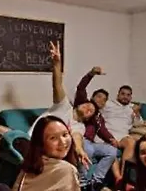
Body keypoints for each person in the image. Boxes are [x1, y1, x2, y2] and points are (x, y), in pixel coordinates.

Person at [28, 41, 98, 174]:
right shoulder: (63, 105)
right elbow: (57, 84)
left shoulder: (80, 126)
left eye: (90, 111)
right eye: (87, 105)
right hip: (32, 143)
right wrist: (56, 63)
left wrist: (80, 150)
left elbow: (77, 137)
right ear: (78, 104)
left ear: (88, 118)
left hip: (51, 154)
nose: (88, 108)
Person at [74, 67, 118, 188]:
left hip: (92, 143)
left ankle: (96, 181)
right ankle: (83, 183)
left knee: (112, 151)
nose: (101, 100)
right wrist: (91, 74)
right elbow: (80, 88)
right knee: (87, 149)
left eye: (104, 100)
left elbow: (103, 131)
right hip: (80, 140)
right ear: (92, 97)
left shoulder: (99, 117)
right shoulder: (83, 105)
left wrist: (112, 139)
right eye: (99, 97)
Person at [12, 115, 81, 191]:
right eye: (53, 138)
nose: (62, 142)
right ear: (40, 143)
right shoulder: (66, 170)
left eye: (65, 135)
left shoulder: (27, 167)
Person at [99, 84, 143, 179]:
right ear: (118, 95)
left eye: (128, 95)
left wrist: (137, 113)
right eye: (123, 94)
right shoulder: (108, 104)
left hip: (123, 136)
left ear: (131, 97)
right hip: (107, 135)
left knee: (133, 142)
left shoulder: (132, 108)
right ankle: (120, 179)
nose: (125, 97)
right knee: (112, 150)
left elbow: (139, 124)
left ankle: (125, 177)